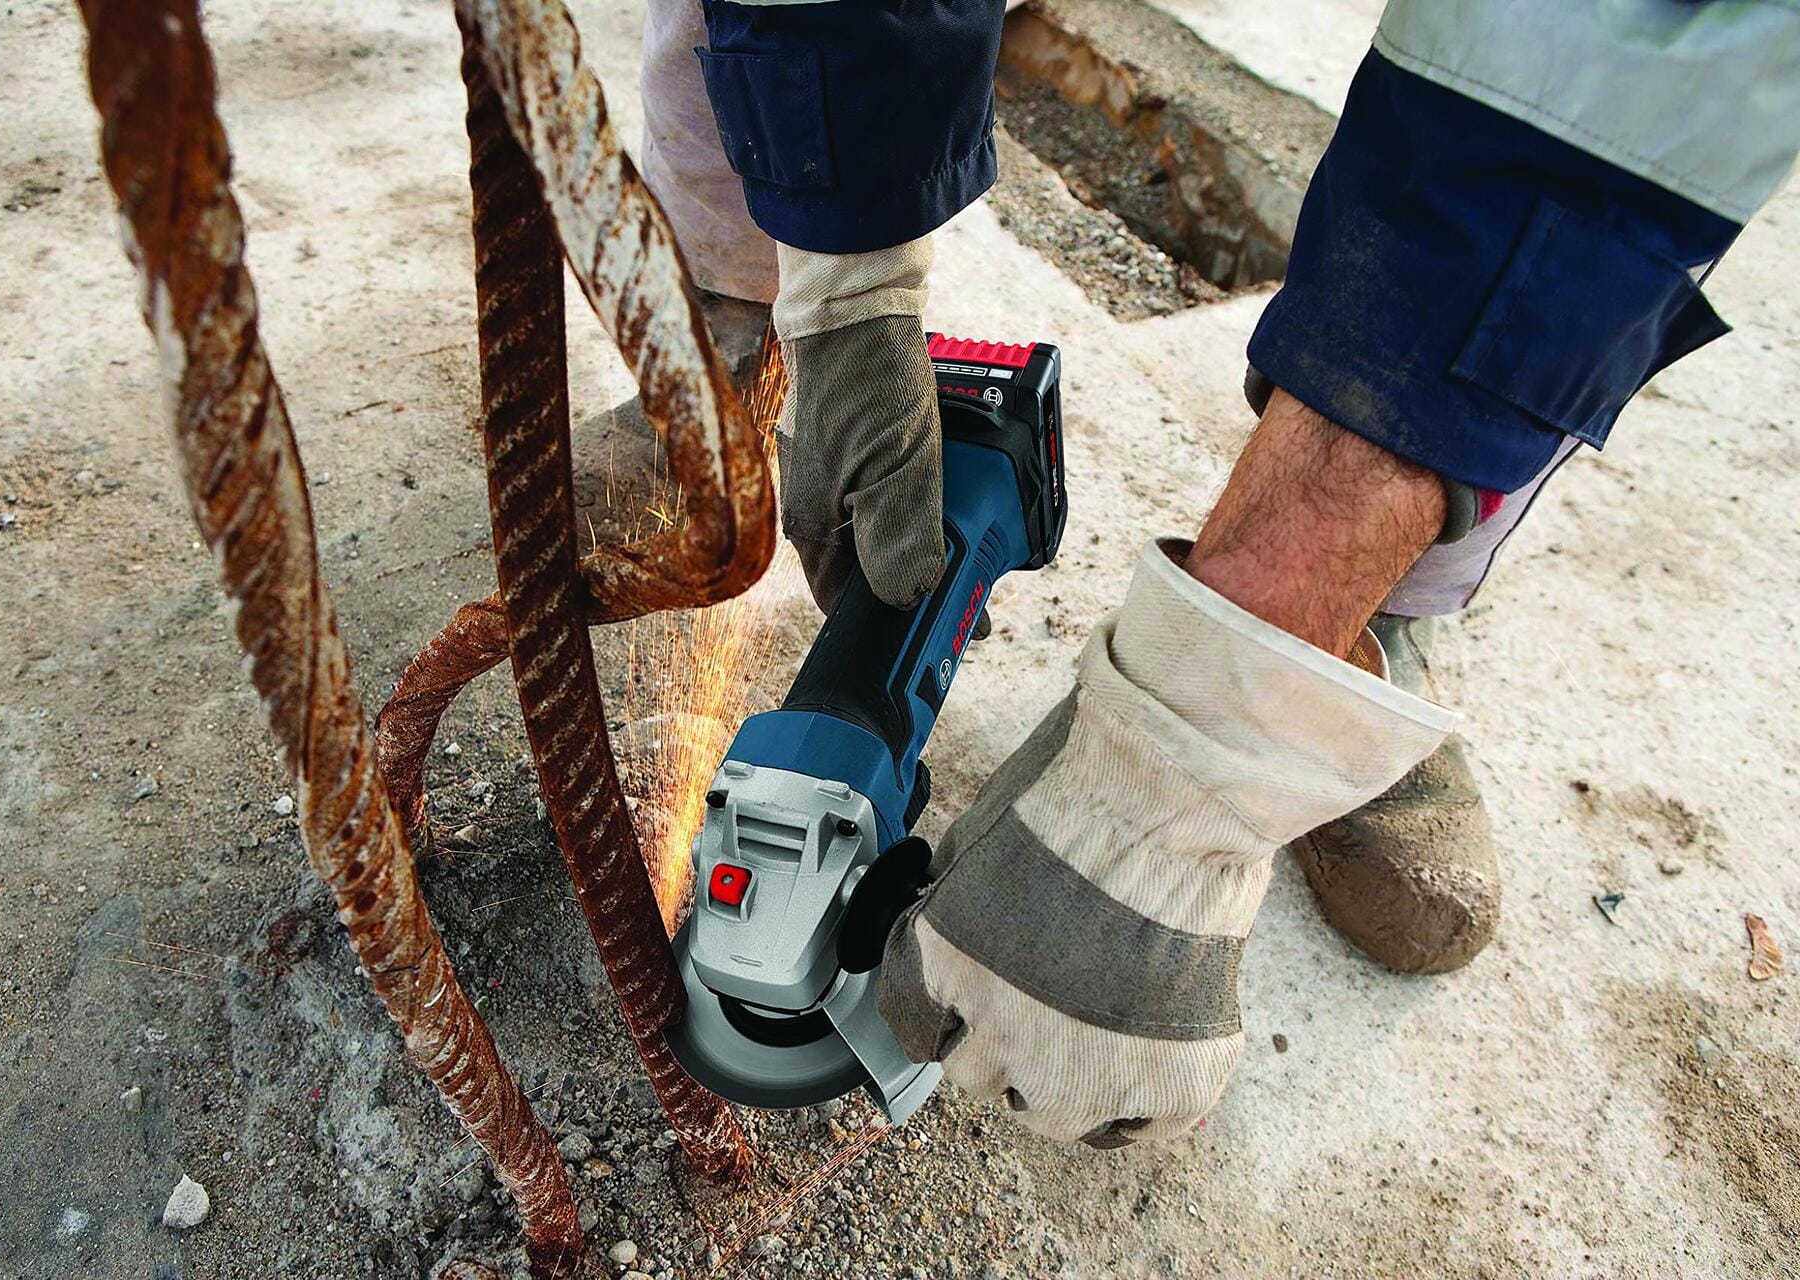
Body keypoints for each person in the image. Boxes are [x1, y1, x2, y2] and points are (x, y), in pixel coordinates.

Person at [641, 0, 1800, 1146]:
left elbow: (1607, 98)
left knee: (1495, 278)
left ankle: (1366, 618)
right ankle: (731, 334)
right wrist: (846, 287)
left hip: (1582, 75)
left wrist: (1201, 745)